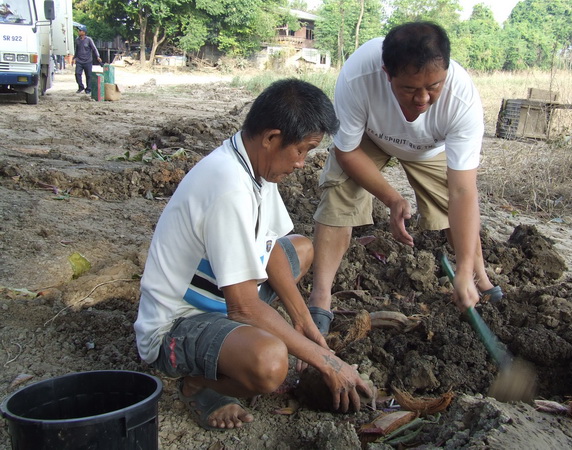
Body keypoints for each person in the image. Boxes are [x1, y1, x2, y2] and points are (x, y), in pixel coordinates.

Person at [134, 79, 373, 431]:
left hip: (221, 298)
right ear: (272, 138)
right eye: (302, 150)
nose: (302, 163)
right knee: (271, 362)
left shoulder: (252, 165)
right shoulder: (228, 187)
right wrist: (326, 360)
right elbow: (243, 307)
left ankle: (250, 337)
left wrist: (305, 323)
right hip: (177, 325)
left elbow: (272, 245)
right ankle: (198, 384)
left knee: (302, 248)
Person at [308, 21, 503, 335]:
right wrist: (392, 199)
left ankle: (476, 276)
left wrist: (461, 271)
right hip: (368, 140)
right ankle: (320, 296)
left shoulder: (462, 98)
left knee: (452, 211)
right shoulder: (360, 76)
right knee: (339, 193)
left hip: (429, 149)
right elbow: (347, 151)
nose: (423, 98)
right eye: (410, 88)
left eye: (434, 87)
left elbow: (463, 191)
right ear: (387, 73)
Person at [72, 25, 102, 94]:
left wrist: (98, 56)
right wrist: (74, 58)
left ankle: (88, 89)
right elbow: (77, 50)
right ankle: (81, 87)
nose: (79, 32)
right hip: (79, 60)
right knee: (77, 74)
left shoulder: (89, 40)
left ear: (84, 32)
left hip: (88, 61)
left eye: (80, 31)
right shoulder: (77, 40)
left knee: (88, 75)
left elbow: (94, 49)